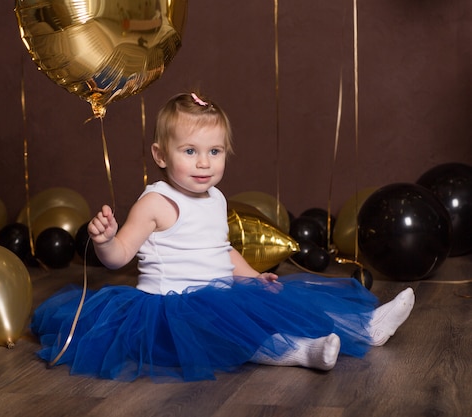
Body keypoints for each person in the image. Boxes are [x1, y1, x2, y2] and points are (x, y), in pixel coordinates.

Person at [31, 92, 415, 382]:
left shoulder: (215, 198)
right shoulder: (155, 202)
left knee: (283, 302)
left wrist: (251, 277)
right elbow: (120, 257)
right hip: (167, 310)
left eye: (214, 151)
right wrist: (105, 241)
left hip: (220, 293)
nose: (204, 163)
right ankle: (303, 352)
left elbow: (222, 250)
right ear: (160, 155)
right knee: (231, 332)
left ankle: (366, 326)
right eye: (190, 151)